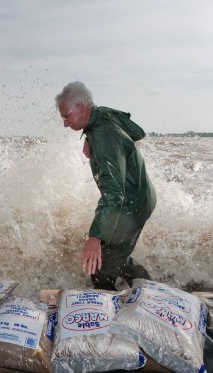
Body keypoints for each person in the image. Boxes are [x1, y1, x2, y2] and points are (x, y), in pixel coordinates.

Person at [55, 81, 156, 290]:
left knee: (101, 267)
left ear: (82, 108)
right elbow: (137, 132)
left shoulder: (103, 137)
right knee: (115, 256)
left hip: (130, 205)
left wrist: (95, 237)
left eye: (66, 116)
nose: (65, 123)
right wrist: (90, 136)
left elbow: (113, 193)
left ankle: (111, 317)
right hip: (140, 196)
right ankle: (150, 291)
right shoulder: (101, 118)